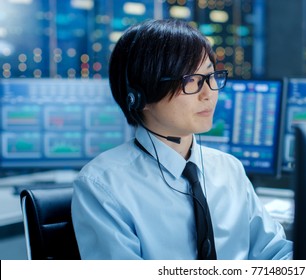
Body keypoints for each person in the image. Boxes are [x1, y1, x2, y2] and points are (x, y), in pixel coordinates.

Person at [71, 19, 293, 260]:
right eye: (191, 80)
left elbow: (274, 252)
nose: (209, 93)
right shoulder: (103, 185)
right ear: (139, 97)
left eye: (211, 76)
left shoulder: (229, 168)